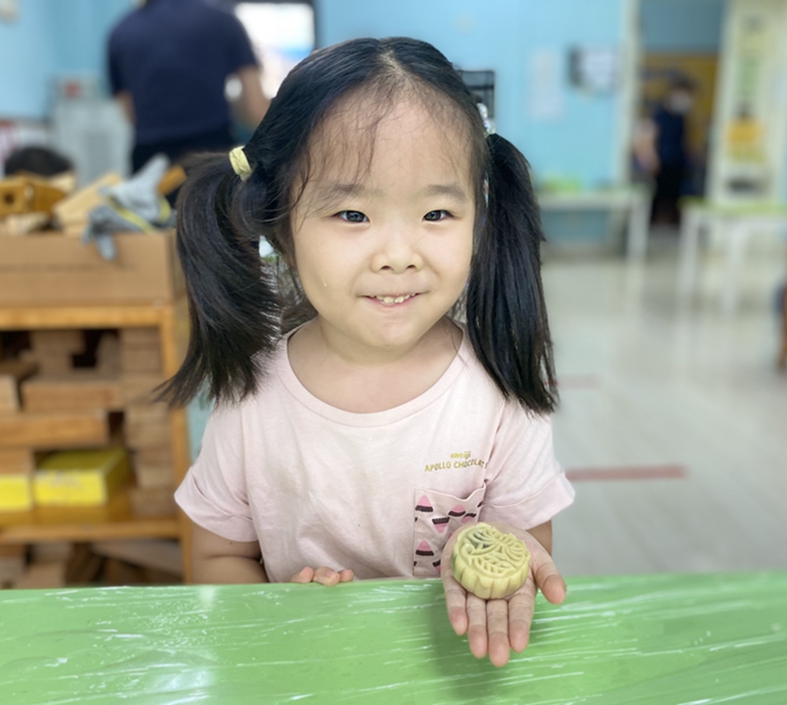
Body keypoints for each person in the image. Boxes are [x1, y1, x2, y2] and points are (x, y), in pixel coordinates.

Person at [165, 37, 575, 669]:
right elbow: (217, 555)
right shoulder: (251, 396)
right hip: (304, 669)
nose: (398, 255)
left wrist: (505, 564)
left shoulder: (500, 389)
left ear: (479, 219)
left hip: (454, 668)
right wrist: (277, 612)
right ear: (282, 228)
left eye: (436, 213)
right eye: (353, 215)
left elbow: (522, 546)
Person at [108, 0, 270, 173]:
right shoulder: (223, 21)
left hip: (151, 167)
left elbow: (130, 113)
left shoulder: (121, 32)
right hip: (212, 159)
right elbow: (255, 110)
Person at [650, 78, 694, 225]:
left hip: (678, 162)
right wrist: (653, 159)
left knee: (677, 195)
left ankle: (675, 223)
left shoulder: (681, 118)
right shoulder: (659, 116)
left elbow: (684, 140)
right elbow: (652, 138)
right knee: (658, 193)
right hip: (661, 161)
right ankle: (651, 221)